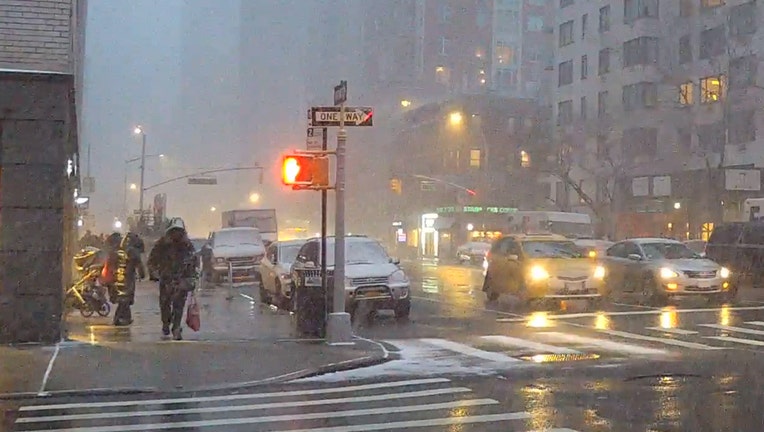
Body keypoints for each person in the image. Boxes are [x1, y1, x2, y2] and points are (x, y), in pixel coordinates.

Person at [148, 217, 197, 340]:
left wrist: (192, 277)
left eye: (179, 231)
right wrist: (155, 273)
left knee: (179, 305)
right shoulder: (162, 244)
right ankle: (166, 323)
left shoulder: (187, 245)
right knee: (165, 304)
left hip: (181, 279)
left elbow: (193, 261)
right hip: (166, 278)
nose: (177, 234)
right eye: (174, 231)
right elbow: (152, 260)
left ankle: (176, 327)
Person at [112, 232, 146, 326]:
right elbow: (139, 266)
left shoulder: (119, 250)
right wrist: (142, 274)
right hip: (128, 277)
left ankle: (125, 318)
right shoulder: (134, 252)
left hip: (118, 277)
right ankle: (119, 318)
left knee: (123, 298)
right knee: (125, 298)